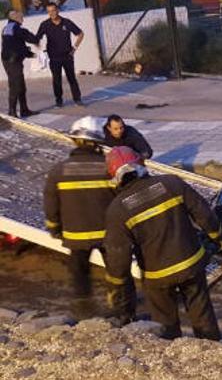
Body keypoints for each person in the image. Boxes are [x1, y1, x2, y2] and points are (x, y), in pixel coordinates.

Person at [103, 146, 222, 340]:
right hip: (191, 263)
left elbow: (119, 260)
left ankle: (171, 359)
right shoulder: (171, 183)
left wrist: (121, 300)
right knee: (202, 312)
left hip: (157, 276)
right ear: (141, 164)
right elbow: (204, 214)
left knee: (164, 324)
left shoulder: (117, 210)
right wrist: (217, 238)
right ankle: (214, 350)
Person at [43, 117, 133, 318]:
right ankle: (120, 312)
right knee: (116, 273)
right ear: (98, 142)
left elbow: (51, 203)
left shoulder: (60, 169)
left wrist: (54, 228)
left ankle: (83, 313)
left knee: (80, 275)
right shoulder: (109, 168)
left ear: (76, 140)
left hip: (76, 235)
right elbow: (122, 198)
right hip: (108, 234)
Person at [35, 2, 84, 108]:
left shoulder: (67, 22)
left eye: (53, 10)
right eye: (49, 11)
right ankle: (59, 100)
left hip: (67, 56)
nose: (51, 13)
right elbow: (37, 38)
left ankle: (77, 99)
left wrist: (74, 48)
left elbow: (80, 34)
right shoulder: (45, 24)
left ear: (58, 10)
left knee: (72, 78)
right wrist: (40, 50)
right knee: (56, 79)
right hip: (54, 57)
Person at [2, 10, 40, 117]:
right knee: (15, 86)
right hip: (12, 61)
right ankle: (12, 112)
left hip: (12, 60)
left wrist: (29, 54)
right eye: (21, 16)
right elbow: (27, 38)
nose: (23, 18)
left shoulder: (9, 28)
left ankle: (24, 110)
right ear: (15, 17)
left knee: (21, 86)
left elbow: (18, 45)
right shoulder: (15, 28)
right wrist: (35, 40)